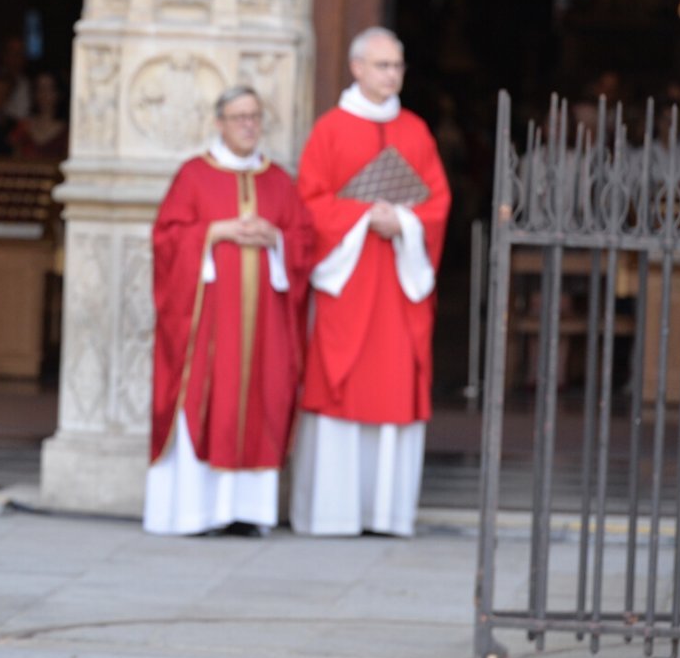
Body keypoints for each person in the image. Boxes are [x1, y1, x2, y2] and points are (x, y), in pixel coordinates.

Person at [292, 27, 451, 538]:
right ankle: (333, 513)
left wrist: (403, 223)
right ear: (357, 68)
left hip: (398, 282)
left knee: (395, 383)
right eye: (383, 65)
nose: (392, 75)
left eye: (398, 65)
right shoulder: (330, 130)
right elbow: (309, 204)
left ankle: (385, 514)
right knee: (340, 386)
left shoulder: (416, 131)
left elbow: (438, 202)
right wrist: (363, 220)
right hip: (350, 279)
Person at [145, 85, 315, 537]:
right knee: (206, 399)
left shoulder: (278, 180)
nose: (247, 125)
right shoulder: (193, 176)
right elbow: (166, 240)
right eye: (238, 117)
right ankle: (196, 512)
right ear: (218, 122)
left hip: (265, 328)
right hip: (208, 328)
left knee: (264, 396)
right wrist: (214, 231)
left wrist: (274, 237)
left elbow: (304, 243)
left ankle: (249, 512)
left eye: (255, 117)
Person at [8, 70, 69, 161]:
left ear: (59, 93)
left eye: (50, 89)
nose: (44, 94)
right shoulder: (23, 127)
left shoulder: (68, 132)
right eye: (40, 89)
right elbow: (14, 162)